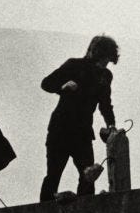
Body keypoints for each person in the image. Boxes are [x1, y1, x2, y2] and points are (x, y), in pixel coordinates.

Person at [39, 35, 119, 202]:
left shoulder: (105, 76)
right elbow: (46, 83)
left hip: (83, 132)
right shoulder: (74, 65)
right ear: (96, 53)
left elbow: (105, 104)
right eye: (104, 59)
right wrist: (62, 87)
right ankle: (44, 212)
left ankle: (86, 211)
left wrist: (111, 125)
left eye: (108, 60)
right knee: (53, 174)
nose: (105, 63)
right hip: (60, 129)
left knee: (88, 176)